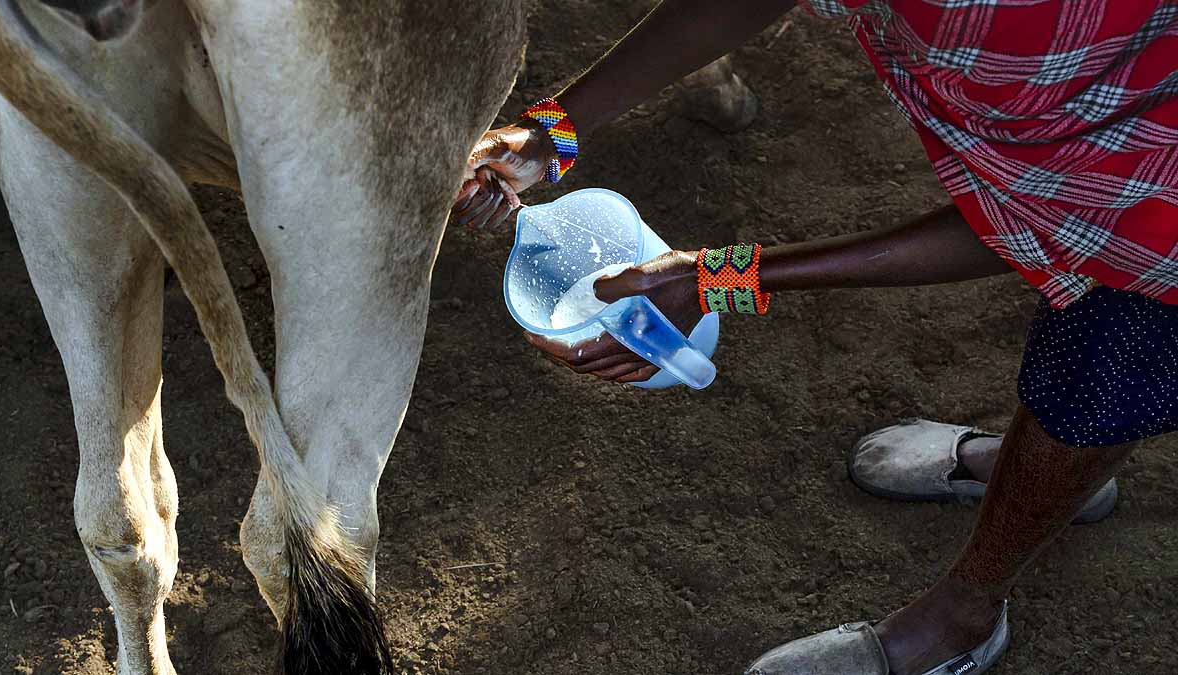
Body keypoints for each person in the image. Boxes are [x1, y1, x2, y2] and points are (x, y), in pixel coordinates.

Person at [451, 1, 1178, 673]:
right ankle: (1025, 471)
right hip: (1076, 142)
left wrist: (716, 278)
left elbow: (1046, 227)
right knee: (1076, 381)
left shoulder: (1018, 31)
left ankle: (965, 613)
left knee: (1100, 376)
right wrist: (554, 130)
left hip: (1150, 206)